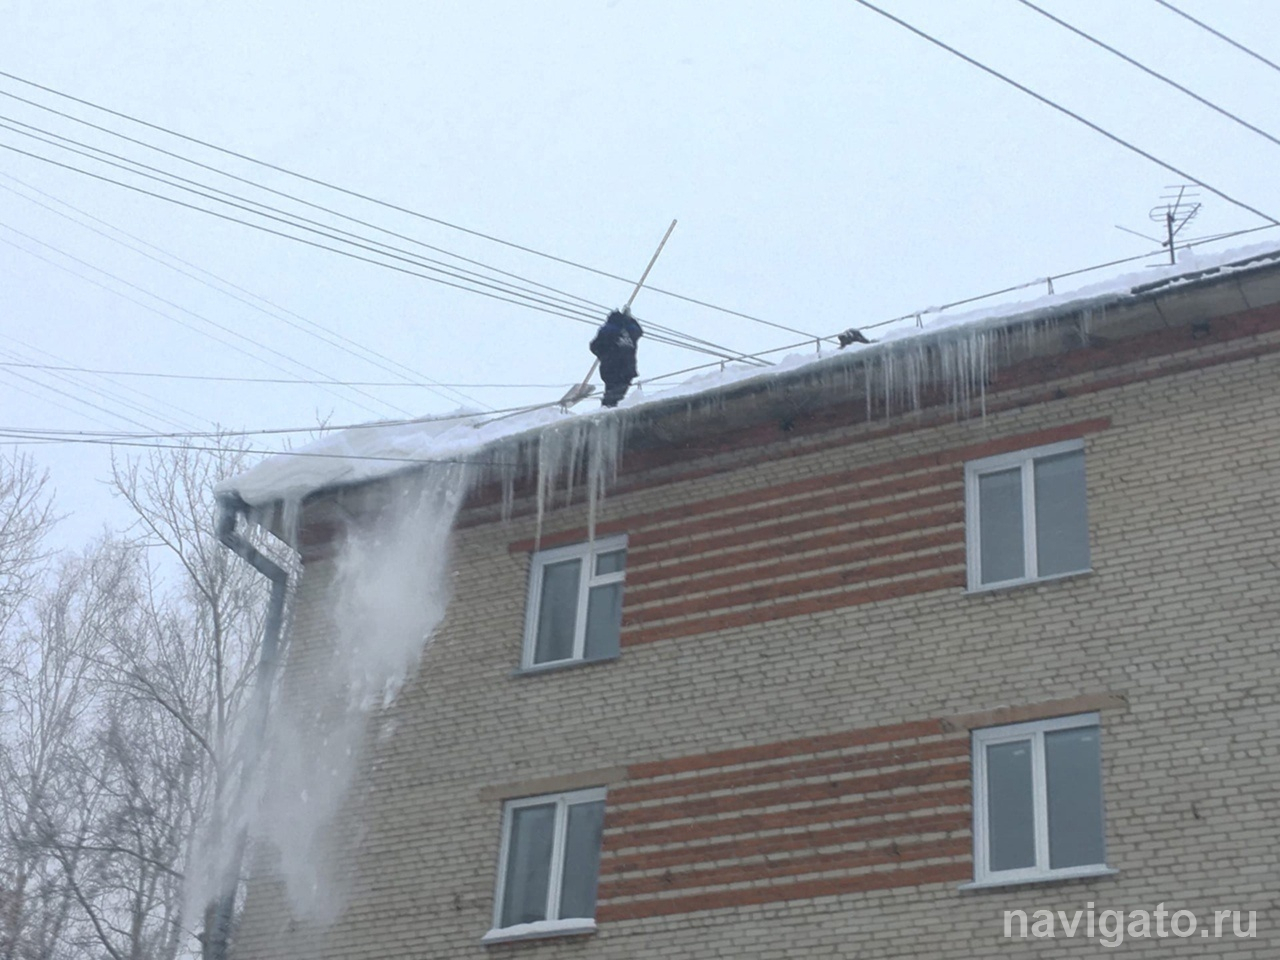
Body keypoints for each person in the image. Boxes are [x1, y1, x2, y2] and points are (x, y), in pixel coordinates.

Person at [590, 308, 643, 407]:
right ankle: (609, 408)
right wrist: (631, 318)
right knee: (617, 395)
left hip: (611, 367)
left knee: (611, 395)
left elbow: (594, 346)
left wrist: (603, 355)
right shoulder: (631, 330)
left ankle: (607, 408)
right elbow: (639, 330)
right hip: (627, 368)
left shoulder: (607, 330)